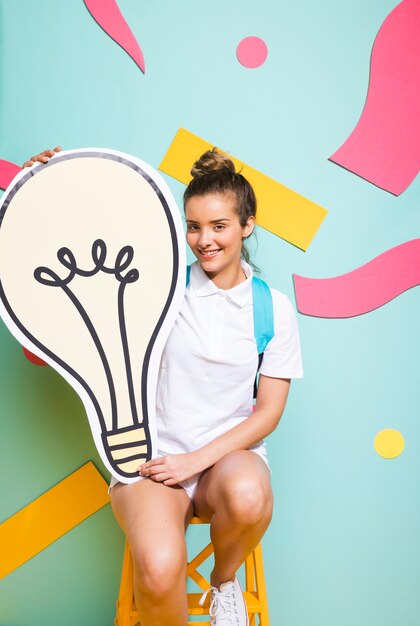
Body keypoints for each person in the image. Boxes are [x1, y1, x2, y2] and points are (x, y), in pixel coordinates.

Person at [24, 146, 303, 626]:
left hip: (223, 463)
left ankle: (223, 582)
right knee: (157, 569)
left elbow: (267, 413)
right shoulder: (159, 284)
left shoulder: (272, 308)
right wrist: (41, 184)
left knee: (250, 496)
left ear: (247, 225)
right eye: (193, 226)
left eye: (219, 226)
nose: (204, 240)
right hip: (151, 460)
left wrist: (195, 461)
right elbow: (79, 263)